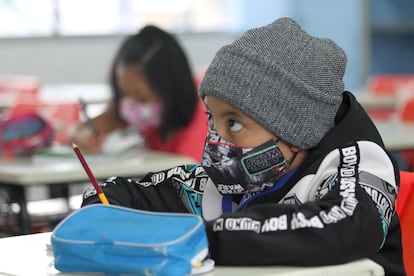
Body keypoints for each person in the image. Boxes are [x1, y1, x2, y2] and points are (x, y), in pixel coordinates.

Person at [81, 18, 405, 275]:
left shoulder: (357, 164)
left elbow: (342, 225)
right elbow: (143, 193)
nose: (217, 139)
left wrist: (201, 238)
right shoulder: (230, 176)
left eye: (233, 123)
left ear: (294, 128)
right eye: (212, 120)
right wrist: (102, 206)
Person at [71, 25, 208, 161]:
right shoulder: (144, 113)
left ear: (170, 91)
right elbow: (89, 129)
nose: (131, 106)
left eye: (142, 98)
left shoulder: (200, 132)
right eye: (124, 94)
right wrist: (81, 134)